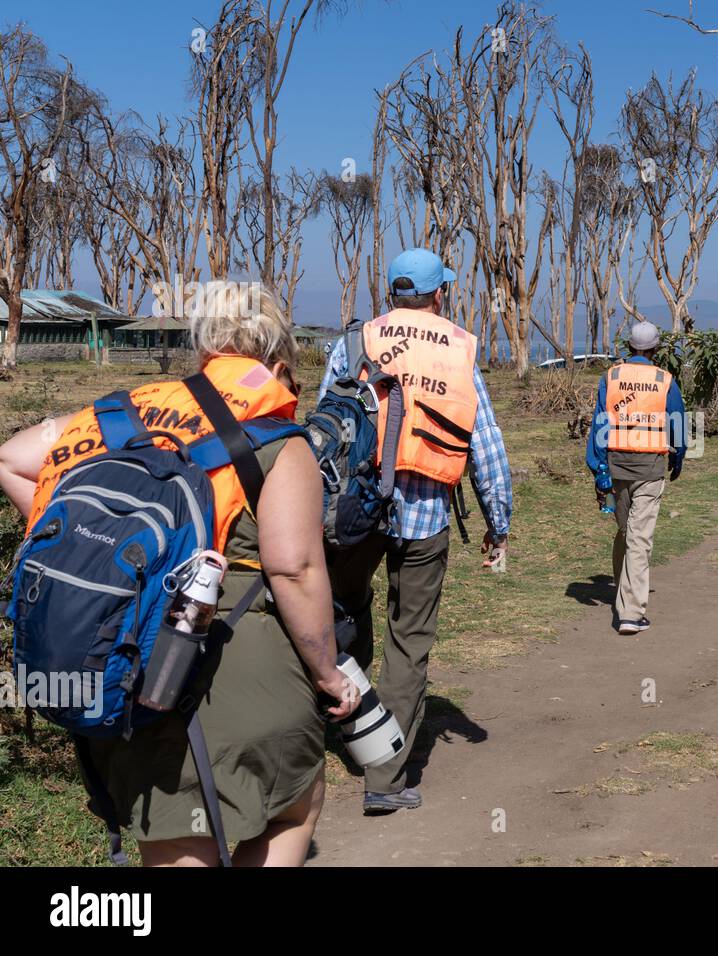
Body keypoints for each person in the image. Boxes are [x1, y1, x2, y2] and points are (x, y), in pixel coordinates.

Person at [0, 286, 359, 865]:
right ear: (279, 365)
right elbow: (294, 568)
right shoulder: (277, 439)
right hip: (233, 667)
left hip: (122, 666)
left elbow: (12, 459)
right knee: (294, 805)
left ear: (203, 354)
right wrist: (328, 673)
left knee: (174, 834)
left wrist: (88, 546)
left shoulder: (117, 411)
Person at [320, 248, 512, 815]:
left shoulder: (357, 340)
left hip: (354, 512)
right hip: (424, 516)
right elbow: (487, 444)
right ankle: (383, 776)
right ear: (438, 295)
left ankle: (343, 719)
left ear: (393, 293)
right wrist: (497, 524)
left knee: (342, 612)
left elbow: (324, 425)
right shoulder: (459, 348)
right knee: (409, 639)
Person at [587, 320, 687, 635]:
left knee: (625, 532)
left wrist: (598, 467)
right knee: (638, 538)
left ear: (628, 346)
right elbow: (678, 421)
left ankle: (624, 593)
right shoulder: (664, 379)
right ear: (656, 348)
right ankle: (630, 614)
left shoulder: (611, 377)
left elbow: (599, 423)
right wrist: (679, 457)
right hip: (650, 469)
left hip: (616, 469)